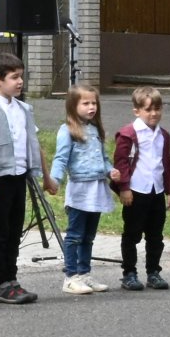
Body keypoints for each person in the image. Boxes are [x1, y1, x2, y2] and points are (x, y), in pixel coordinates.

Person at [0, 53, 56, 305]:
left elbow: (34, 142)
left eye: (22, 76)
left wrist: (47, 177)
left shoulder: (23, 109)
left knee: (14, 231)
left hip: (20, 176)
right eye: (14, 77)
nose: (20, 82)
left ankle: (12, 279)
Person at [52, 84, 119, 296]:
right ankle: (70, 277)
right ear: (73, 106)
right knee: (74, 235)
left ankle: (84, 273)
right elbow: (61, 158)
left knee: (89, 236)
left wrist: (110, 171)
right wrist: (54, 179)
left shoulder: (96, 130)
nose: (91, 107)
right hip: (80, 189)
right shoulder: (68, 131)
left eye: (94, 103)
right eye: (86, 103)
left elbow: (103, 157)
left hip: (97, 188)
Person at [112, 87, 170, 292]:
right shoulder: (128, 134)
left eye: (157, 109)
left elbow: (166, 162)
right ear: (137, 111)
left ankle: (153, 272)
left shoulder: (163, 135)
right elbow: (121, 162)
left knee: (155, 235)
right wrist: (124, 187)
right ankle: (129, 273)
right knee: (132, 233)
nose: (154, 113)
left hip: (156, 191)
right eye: (148, 109)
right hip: (136, 190)